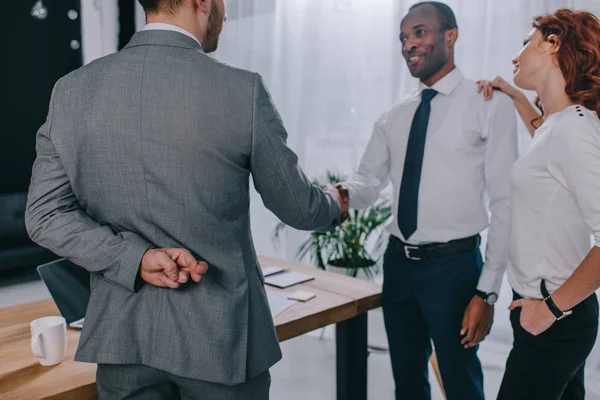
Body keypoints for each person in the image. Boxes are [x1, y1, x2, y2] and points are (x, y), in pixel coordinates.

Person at [24, 0, 348, 399]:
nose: (226, 15)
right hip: (221, 344)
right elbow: (300, 208)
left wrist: (134, 259)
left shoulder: (71, 90)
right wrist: (336, 202)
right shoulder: (241, 89)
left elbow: (44, 215)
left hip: (123, 339)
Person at [335, 2, 518, 399]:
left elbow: (506, 204)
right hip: (399, 266)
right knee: (406, 380)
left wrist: (487, 293)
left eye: (419, 32)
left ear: (450, 36)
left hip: (455, 271)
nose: (408, 44)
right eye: (403, 37)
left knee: (460, 382)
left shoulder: (489, 104)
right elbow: (367, 183)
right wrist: (340, 195)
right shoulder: (394, 117)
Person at [479, 9, 600, 400]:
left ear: (553, 44)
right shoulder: (560, 125)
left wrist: (550, 309)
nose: (516, 56)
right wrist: (514, 95)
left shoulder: (574, 130)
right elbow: (545, 138)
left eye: (525, 43)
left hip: (554, 316)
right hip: (550, 310)